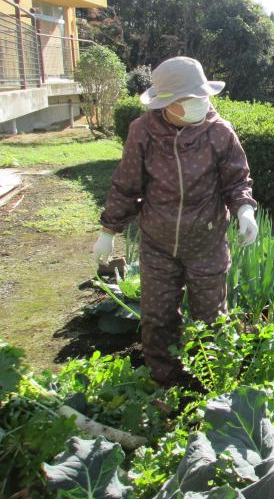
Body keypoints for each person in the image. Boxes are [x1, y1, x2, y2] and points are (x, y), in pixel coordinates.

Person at [92, 56, 259, 387]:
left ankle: (211, 383)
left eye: (201, 97)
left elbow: (237, 180)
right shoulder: (143, 133)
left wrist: (244, 210)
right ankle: (165, 383)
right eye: (189, 99)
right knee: (157, 317)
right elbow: (127, 184)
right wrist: (108, 230)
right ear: (167, 103)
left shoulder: (219, 133)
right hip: (157, 242)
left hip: (207, 242)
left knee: (211, 318)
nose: (199, 104)